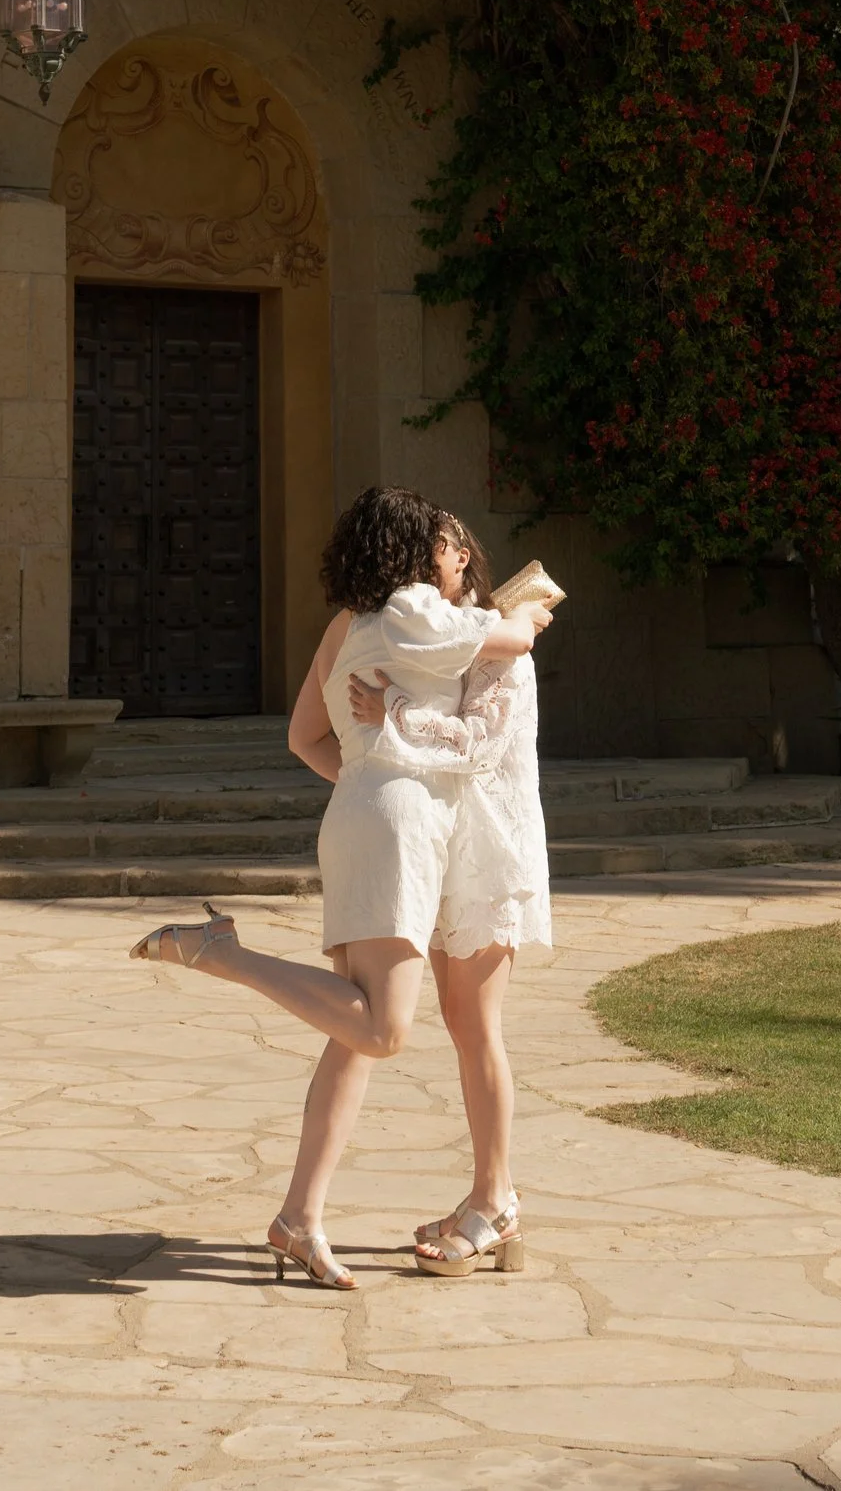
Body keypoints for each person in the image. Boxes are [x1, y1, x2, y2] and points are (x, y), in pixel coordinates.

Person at [127, 484, 555, 1288]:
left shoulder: (349, 625)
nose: (445, 552)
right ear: (414, 554)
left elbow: (305, 737)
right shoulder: (424, 617)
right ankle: (224, 953)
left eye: (453, 543)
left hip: (396, 826)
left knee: (363, 1033)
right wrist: (523, 620)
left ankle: (304, 1216)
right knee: (386, 1030)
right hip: (409, 829)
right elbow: (507, 651)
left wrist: (367, 770)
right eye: (434, 541)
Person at [348, 509, 550, 1280]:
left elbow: (479, 745)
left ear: (461, 557)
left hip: (489, 851)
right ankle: (490, 1194)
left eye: (432, 547)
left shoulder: (498, 646)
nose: (418, 561)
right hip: (446, 847)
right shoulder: (445, 634)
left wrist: (391, 715)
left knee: (477, 1026)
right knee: (465, 1026)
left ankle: (495, 1203)